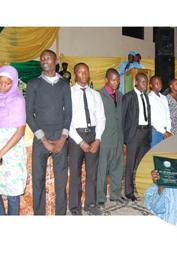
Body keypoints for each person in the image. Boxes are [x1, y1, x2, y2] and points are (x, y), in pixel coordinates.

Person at [25, 49, 72, 215]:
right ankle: (39, 214)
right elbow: (29, 114)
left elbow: (69, 113)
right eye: (42, 58)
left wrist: (62, 139)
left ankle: (60, 214)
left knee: (61, 181)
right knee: (38, 180)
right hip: (40, 137)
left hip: (60, 137)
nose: (44, 60)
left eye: (48, 58)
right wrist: (43, 139)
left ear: (55, 61)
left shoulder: (64, 85)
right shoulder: (33, 84)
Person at [0, 65, 27, 215]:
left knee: (12, 193)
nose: (3, 86)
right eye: (0, 82)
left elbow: (20, 131)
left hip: (12, 150)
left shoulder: (18, 100)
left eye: (8, 83)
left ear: (14, 83)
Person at [67, 63, 106, 215]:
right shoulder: (69, 93)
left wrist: (97, 139)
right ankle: (75, 207)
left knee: (92, 173)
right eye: (80, 72)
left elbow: (101, 118)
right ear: (75, 74)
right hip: (76, 136)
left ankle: (90, 204)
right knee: (75, 173)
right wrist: (80, 141)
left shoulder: (95, 95)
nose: (83, 75)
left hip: (93, 134)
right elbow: (67, 120)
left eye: (86, 72)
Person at [96, 69, 126, 207]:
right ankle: (100, 197)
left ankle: (115, 194)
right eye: (113, 80)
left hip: (118, 138)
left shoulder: (120, 95)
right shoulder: (98, 95)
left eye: (118, 80)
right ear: (106, 80)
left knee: (117, 167)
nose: (116, 82)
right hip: (105, 137)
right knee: (102, 168)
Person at [122, 73, 151, 202]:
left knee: (141, 164)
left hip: (145, 134)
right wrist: (124, 139)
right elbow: (122, 119)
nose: (145, 84)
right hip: (133, 135)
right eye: (143, 81)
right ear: (136, 82)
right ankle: (129, 191)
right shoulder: (128, 97)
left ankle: (139, 187)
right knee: (130, 164)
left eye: (146, 81)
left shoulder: (146, 97)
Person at [147, 76, 172, 148]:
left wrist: (168, 130)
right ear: (151, 85)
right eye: (156, 83)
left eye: (160, 83)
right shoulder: (149, 98)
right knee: (154, 152)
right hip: (155, 131)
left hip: (166, 130)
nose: (159, 85)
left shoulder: (164, 97)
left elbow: (167, 114)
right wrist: (164, 132)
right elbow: (152, 118)